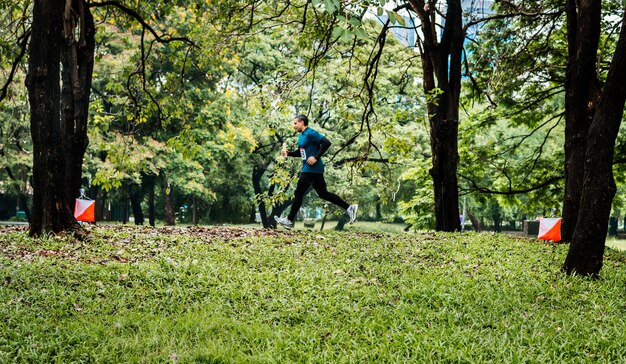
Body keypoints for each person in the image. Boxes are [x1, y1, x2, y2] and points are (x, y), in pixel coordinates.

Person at [274, 114, 357, 229]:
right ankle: (349, 208)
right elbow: (301, 152)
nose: (294, 126)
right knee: (323, 194)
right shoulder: (301, 136)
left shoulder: (310, 132)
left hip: (311, 169)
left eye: (295, 123)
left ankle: (289, 220)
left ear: (302, 122)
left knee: (298, 193)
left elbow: (327, 143)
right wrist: (288, 153)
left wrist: (316, 157)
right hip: (312, 169)